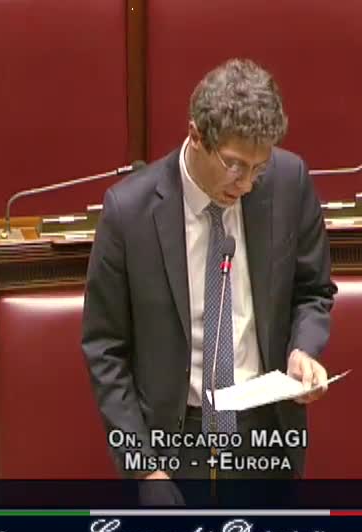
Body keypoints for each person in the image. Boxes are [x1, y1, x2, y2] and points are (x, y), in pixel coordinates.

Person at [81, 58, 337, 505]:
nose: (247, 184)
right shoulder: (129, 212)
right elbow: (105, 349)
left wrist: (303, 349)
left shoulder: (288, 182)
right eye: (235, 165)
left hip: (266, 434)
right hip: (175, 445)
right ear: (196, 135)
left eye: (259, 168)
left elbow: (313, 291)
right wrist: (144, 469)